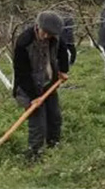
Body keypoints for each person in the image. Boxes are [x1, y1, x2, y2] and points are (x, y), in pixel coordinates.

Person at [13, 11, 69, 161]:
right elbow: (22, 73)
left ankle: (54, 144)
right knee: (38, 124)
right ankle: (34, 154)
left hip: (48, 84)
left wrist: (63, 70)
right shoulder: (23, 42)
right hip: (29, 88)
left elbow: (63, 51)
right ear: (37, 26)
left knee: (55, 117)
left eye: (50, 34)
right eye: (44, 33)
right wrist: (34, 97)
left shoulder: (54, 37)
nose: (46, 37)